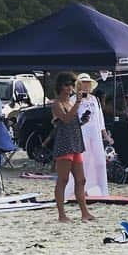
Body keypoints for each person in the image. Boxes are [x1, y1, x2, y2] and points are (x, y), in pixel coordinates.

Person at [51, 71, 93, 223]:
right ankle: (62, 215)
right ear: (61, 87)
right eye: (68, 85)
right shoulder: (57, 104)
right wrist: (77, 104)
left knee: (81, 180)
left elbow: (71, 122)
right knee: (63, 179)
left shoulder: (69, 103)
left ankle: (85, 212)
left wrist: (83, 120)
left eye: (71, 85)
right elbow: (66, 119)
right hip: (65, 144)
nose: (70, 88)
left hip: (75, 142)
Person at [65, 73, 111, 198]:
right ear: (78, 85)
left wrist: (106, 135)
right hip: (81, 133)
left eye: (88, 83)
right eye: (83, 83)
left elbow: (100, 119)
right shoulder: (73, 100)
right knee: (82, 162)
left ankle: (100, 189)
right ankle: (77, 190)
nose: (86, 85)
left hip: (95, 133)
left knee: (99, 162)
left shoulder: (94, 99)